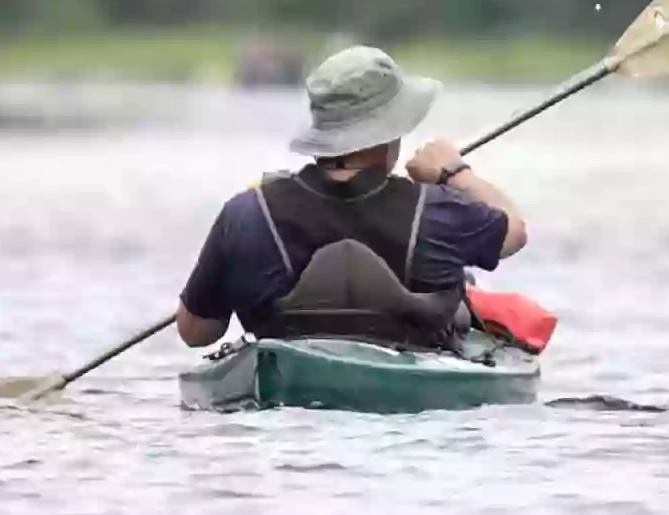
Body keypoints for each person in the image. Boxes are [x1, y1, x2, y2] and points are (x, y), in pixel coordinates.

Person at [174, 46, 541, 352]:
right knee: (466, 286)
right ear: (391, 130)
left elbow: (196, 332)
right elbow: (515, 232)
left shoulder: (247, 215)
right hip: (413, 395)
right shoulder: (439, 211)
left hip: (287, 402)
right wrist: (455, 173)